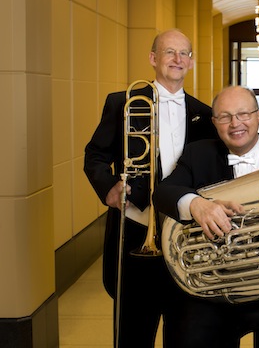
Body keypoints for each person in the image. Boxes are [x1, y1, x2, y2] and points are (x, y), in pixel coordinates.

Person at [84, 28, 217, 347]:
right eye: (169, 52)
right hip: (134, 229)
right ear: (153, 59)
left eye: (184, 53)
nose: (177, 59)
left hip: (186, 237)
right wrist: (108, 188)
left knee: (183, 329)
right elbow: (96, 155)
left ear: (191, 63)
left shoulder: (203, 113)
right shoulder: (123, 103)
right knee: (133, 332)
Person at [153, 85, 259, 348]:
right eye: (225, 116)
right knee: (189, 332)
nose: (235, 123)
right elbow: (163, 193)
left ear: (258, 115)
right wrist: (196, 204)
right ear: (214, 122)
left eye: (243, 114)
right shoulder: (198, 154)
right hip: (216, 286)